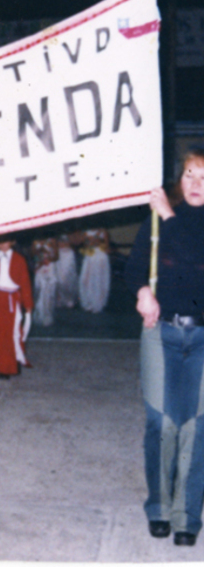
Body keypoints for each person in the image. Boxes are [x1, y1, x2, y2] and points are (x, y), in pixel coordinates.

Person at [124, 148, 204, 547]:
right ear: (179, 179)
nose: (195, 183)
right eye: (190, 174)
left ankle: (187, 517)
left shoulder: (168, 217)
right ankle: (159, 508)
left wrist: (169, 216)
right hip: (161, 333)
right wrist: (141, 292)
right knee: (162, 424)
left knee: (195, 427)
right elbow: (135, 266)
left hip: (203, 338)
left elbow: (195, 256)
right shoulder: (156, 217)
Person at [0, 235, 33, 379]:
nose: (3, 245)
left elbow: (25, 283)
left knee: (15, 331)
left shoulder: (19, 259)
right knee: (0, 333)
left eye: (6, 241)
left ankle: (15, 360)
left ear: (12, 242)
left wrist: (28, 304)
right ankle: (3, 367)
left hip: (14, 299)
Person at [78, 227, 110, 313]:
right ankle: (87, 303)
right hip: (90, 256)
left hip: (100, 256)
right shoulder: (86, 232)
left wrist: (97, 241)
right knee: (85, 280)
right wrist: (90, 242)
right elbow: (85, 244)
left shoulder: (103, 231)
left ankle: (98, 304)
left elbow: (106, 246)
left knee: (98, 280)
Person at [31, 234, 59, 327]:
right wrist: (40, 258)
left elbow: (56, 256)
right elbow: (32, 254)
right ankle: (39, 315)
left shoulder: (52, 240)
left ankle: (48, 315)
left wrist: (48, 259)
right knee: (40, 291)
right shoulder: (35, 241)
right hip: (40, 267)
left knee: (49, 292)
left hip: (50, 267)